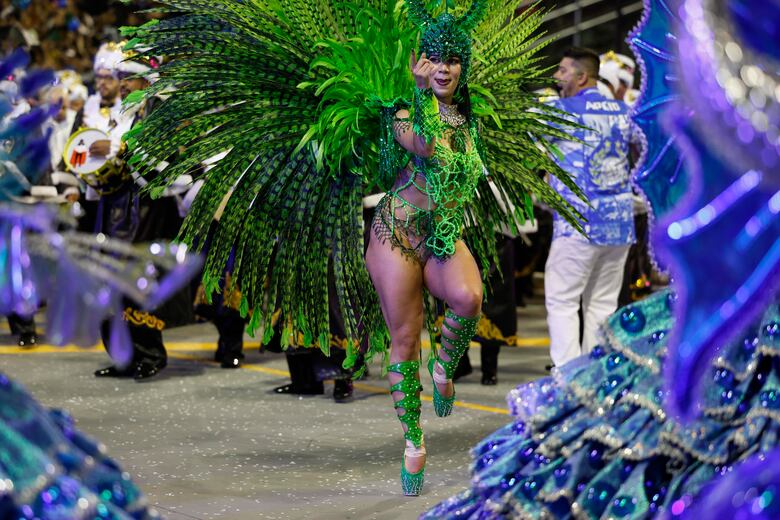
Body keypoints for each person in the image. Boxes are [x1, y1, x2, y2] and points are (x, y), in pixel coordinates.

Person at [120, 0, 583, 496]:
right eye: (435, 58)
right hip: (395, 236)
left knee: (469, 299)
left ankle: (446, 364)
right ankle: (413, 439)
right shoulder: (404, 111)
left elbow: (465, 167)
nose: (443, 68)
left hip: (444, 233)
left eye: (452, 60)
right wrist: (417, 89)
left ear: (464, 67)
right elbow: (426, 147)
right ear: (420, 62)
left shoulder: (470, 119)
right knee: (405, 340)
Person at [92, 50, 185, 381]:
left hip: (146, 210)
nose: (122, 85)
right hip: (117, 207)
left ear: (145, 80)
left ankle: (149, 354)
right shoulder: (125, 112)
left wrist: (118, 152)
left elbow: (165, 164)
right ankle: (124, 355)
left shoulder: (159, 111)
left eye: (127, 79)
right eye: (120, 79)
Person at [544, 47, 638, 368]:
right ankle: (595, 381)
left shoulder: (560, 111)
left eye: (562, 71)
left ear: (582, 76)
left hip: (578, 225)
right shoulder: (623, 111)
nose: (556, 77)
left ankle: (568, 384)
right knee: (602, 304)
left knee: (563, 301)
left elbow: (518, 131)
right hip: (619, 225)